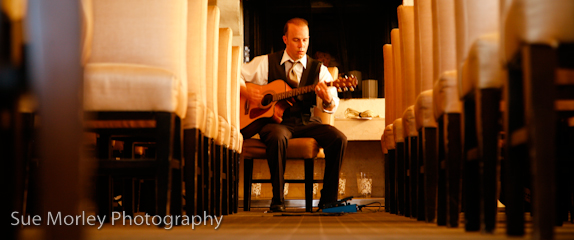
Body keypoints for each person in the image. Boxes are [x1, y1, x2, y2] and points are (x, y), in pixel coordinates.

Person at [240, 18, 347, 212]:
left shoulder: (319, 70)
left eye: (305, 40)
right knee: (277, 136)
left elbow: (332, 105)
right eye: (296, 40)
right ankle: (278, 200)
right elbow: (233, 73)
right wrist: (246, 92)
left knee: (338, 138)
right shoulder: (266, 62)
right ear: (285, 39)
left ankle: (329, 200)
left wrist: (327, 99)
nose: (301, 45)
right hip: (276, 123)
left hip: (306, 122)